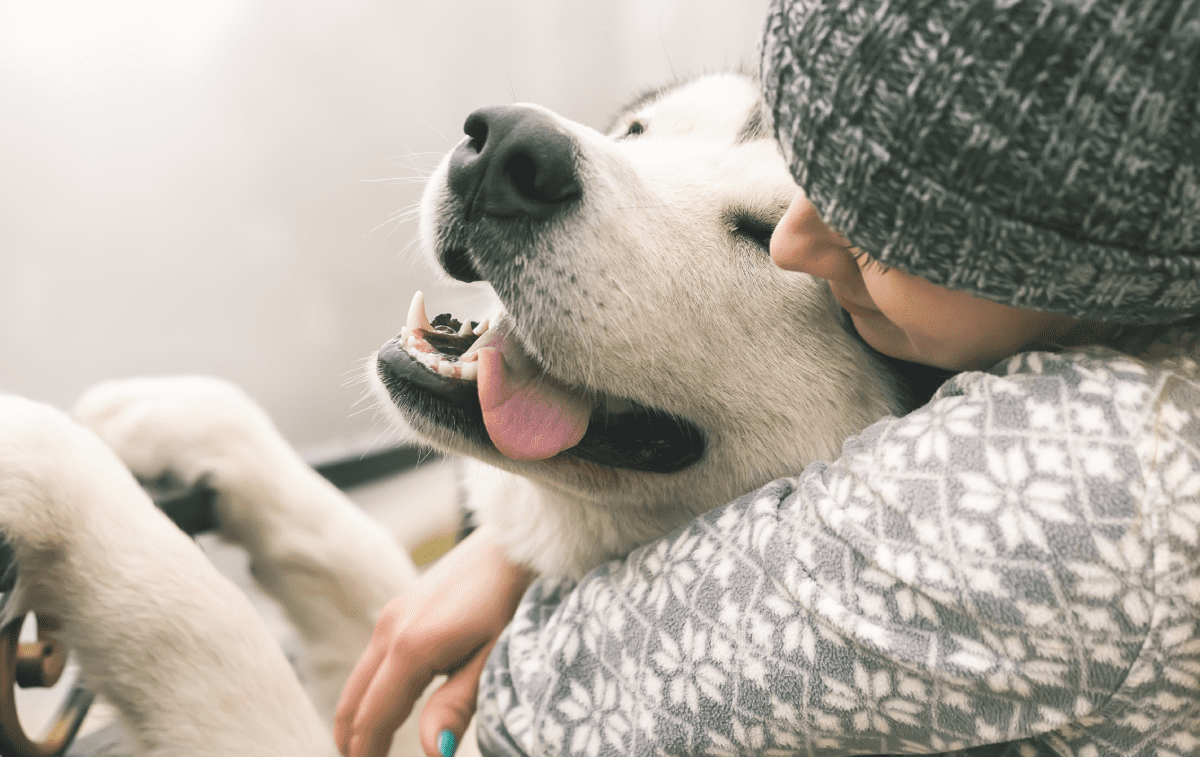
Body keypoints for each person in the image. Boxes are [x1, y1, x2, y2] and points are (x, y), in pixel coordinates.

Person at [336, 0, 1200, 754]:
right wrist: (522, 547)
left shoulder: (1094, 483)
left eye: (876, 234)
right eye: (640, 128)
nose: (798, 242)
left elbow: (538, 711)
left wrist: (537, 569)